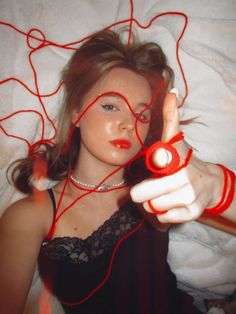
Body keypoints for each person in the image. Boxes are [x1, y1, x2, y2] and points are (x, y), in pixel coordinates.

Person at [0, 28, 235, 314]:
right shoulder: (30, 214)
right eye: (111, 106)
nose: (128, 124)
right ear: (76, 112)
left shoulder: (160, 189)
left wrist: (218, 188)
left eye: (141, 114)